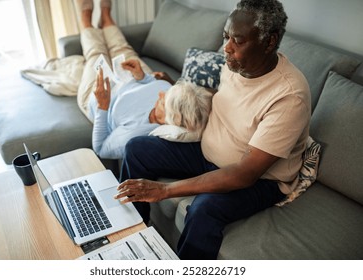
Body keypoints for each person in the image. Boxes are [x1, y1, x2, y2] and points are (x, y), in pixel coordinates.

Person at [115, 0, 311, 260]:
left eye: (237, 41)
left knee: (204, 208)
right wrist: (173, 88)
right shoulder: (237, 64)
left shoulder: (289, 95)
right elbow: (222, 100)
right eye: (225, 36)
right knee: (137, 149)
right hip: (208, 152)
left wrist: (164, 190)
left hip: (261, 180)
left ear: (269, 42)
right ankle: (130, 240)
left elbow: (244, 174)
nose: (227, 47)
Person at [77, 0, 212, 159]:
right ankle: (106, 17)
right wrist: (143, 77)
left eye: (163, 101)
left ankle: (86, 19)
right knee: (122, 48)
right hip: (130, 80)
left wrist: (102, 106)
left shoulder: (135, 135)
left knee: (95, 54)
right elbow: (156, 85)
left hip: (99, 99)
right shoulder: (169, 96)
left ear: (167, 120)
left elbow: (101, 149)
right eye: (166, 93)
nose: (161, 94)